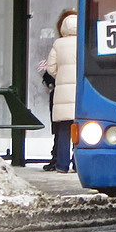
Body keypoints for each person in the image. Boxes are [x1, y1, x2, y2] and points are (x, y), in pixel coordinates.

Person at [44, 9, 78, 173]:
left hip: (63, 92)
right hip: (80, 92)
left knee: (64, 128)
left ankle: (62, 165)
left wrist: (61, 76)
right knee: (81, 127)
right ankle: (77, 164)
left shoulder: (58, 44)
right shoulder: (84, 42)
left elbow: (51, 68)